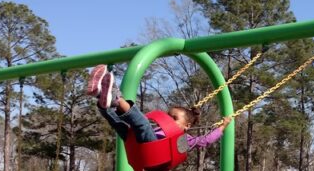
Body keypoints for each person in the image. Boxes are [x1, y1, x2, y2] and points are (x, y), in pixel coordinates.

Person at [86, 65, 231, 155]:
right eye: (169, 116)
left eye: (174, 118)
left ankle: (115, 97)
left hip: (155, 152)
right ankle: (100, 95)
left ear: (187, 126)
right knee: (119, 124)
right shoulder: (158, 129)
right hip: (137, 147)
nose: (168, 119)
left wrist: (222, 126)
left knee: (142, 123)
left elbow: (205, 140)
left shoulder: (185, 139)